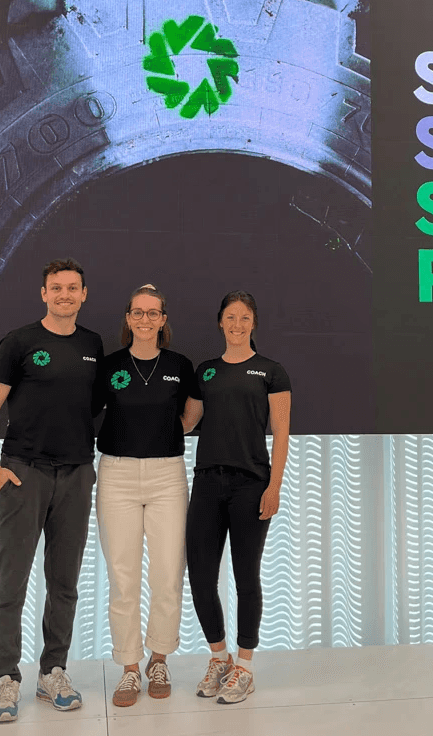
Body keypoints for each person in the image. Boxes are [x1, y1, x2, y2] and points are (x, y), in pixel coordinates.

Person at [0, 258, 104, 723]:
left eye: (73, 287)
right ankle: (4, 680)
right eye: (57, 288)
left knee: (64, 582)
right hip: (23, 473)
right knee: (10, 582)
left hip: (75, 474)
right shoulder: (20, 342)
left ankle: (53, 671)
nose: (65, 294)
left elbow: (90, 410)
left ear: (84, 294)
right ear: (44, 294)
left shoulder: (93, 345)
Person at [181, 290, 291, 704]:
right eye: (230, 317)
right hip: (207, 485)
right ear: (220, 322)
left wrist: (274, 487)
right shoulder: (206, 372)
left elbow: (281, 433)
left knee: (247, 577)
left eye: (244, 317)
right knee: (200, 577)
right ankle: (219, 656)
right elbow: (186, 424)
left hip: (251, 486)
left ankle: (244, 666)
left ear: (253, 323)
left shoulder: (271, 372)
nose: (237, 324)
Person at [95, 284, 194, 707]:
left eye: (154, 313)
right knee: (123, 577)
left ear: (163, 320)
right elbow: (89, 409)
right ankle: (130, 667)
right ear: (128, 319)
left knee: (169, 573)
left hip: (167, 476)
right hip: (116, 475)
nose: (146, 320)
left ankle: (159, 658)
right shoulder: (110, 365)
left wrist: (167, 435)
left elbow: (190, 415)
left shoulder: (179, 365)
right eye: (138, 313)